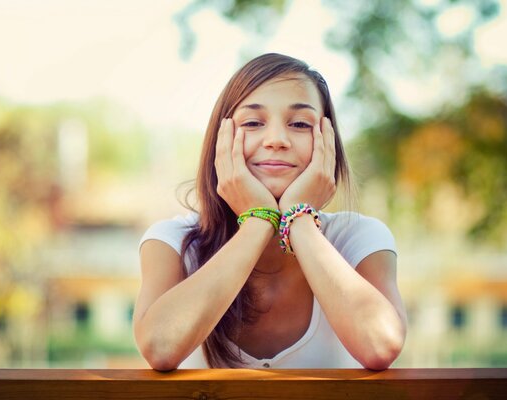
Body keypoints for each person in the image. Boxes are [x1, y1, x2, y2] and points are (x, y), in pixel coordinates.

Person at [134, 53, 407, 371]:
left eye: (300, 124)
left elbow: (381, 345)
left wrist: (298, 219)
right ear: (220, 141)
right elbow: (159, 347)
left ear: (327, 141)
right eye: (252, 123)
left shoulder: (358, 239)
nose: (277, 140)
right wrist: (258, 220)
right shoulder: (172, 242)